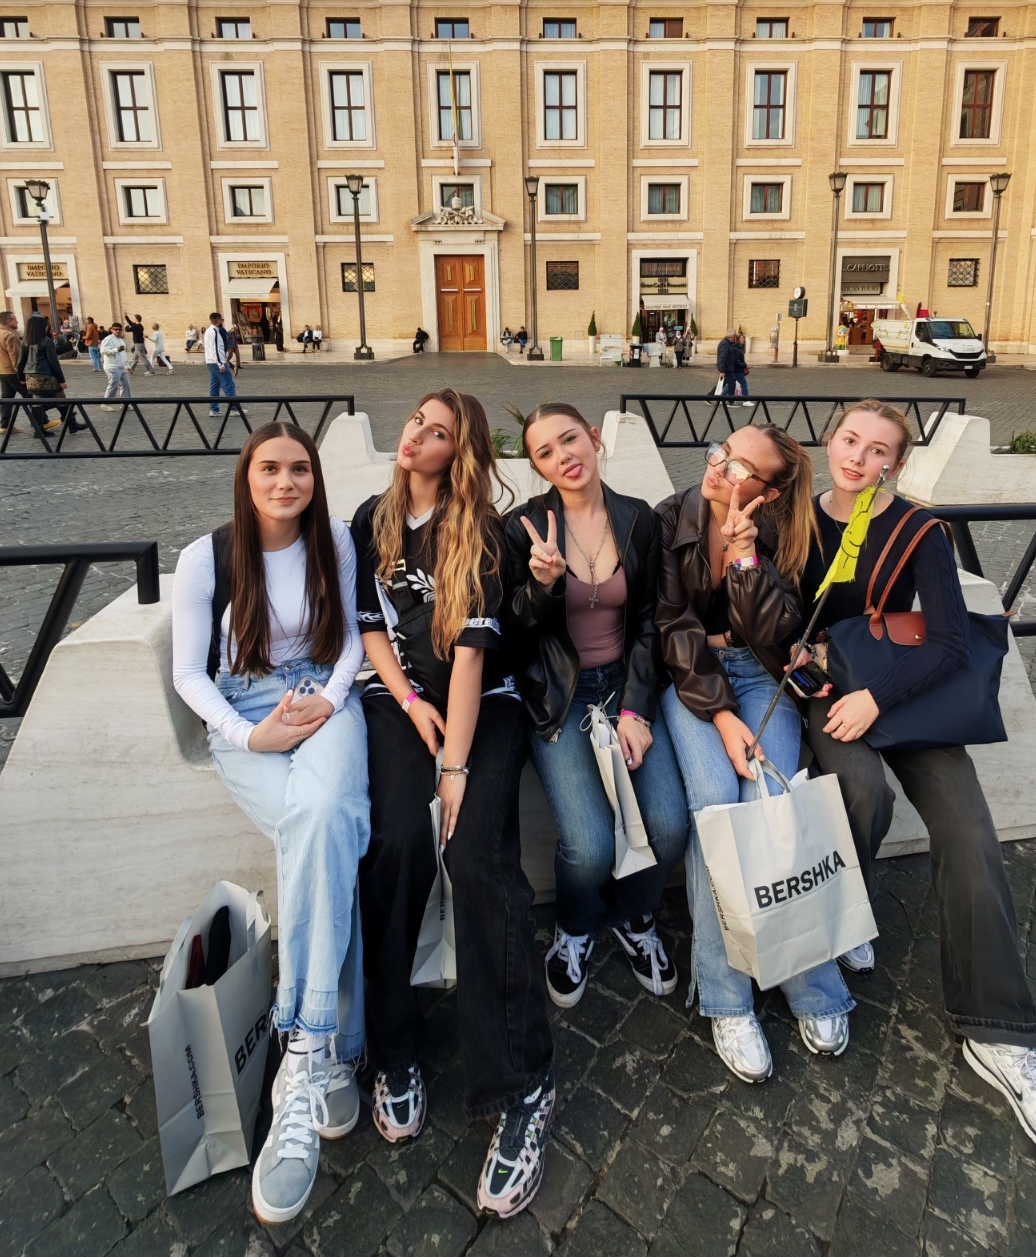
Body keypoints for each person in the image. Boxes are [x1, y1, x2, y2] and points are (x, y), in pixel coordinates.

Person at [799, 398, 1036, 1170]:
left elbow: (949, 641)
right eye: (850, 439)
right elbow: (771, 615)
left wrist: (877, 696)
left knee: (968, 829)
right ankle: (844, 922)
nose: (859, 457)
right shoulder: (793, 517)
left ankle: (1001, 1036)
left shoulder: (918, 529)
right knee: (864, 793)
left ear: (895, 463)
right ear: (830, 440)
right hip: (825, 695)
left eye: (878, 449)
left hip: (901, 691)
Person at [352, 390, 555, 1219]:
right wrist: (409, 705)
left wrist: (458, 768)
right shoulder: (373, 518)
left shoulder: (483, 534)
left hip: (485, 705)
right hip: (400, 699)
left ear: (459, 451)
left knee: (474, 856)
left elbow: (471, 661)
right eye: (416, 423)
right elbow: (371, 628)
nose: (417, 438)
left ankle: (521, 1084)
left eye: (438, 433)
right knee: (397, 844)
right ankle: (393, 1049)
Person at [172, 422, 369, 1225]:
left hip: (324, 699)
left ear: (314, 478)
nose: (286, 482)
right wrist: (249, 735)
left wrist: (331, 698)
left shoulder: (335, 541)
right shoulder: (206, 558)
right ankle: (334, 1047)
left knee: (321, 817)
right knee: (323, 835)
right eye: (269, 469)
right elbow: (189, 673)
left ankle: (303, 1049)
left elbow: (352, 639)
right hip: (246, 711)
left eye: (299, 469)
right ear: (246, 477)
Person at [655, 425, 855, 1081]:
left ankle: (809, 981)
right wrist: (720, 716)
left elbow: (772, 630)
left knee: (770, 799)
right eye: (720, 452)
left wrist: (744, 558)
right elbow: (671, 626)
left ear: (767, 492)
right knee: (716, 806)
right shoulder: (669, 518)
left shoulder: (784, 534)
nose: (719, 468)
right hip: (691, 681)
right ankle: (726, 998)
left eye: (740, 467)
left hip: (761, 675)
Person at [504, 402, 689, 1009]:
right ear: (537, 466)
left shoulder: (639, 519)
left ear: (593, 439)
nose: (564, 457)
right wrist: (542, 587)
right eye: (546, 452)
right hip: (558, 696)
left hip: (626, 687)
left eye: (569, 439)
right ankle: (575, 928)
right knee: (588, 845)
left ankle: (635, 918)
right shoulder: (523, 529)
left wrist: (636, 709)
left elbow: (651, 622)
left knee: (668, 826)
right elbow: (511, 633)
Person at [0, 309, 51, 435]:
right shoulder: (10, 336)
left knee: (6, 399)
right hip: (13, 372)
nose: (17, 322)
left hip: (1, 371)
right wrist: (21, 375)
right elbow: (16, 358)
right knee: (30, 397)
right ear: (9, 321)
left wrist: (0, 362)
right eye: (15, 320)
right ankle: (42, 422)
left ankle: (5, 425)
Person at [21, 313, 83, 432]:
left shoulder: (25, 342)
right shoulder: (46, 341)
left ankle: (39, 428)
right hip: (46, 375)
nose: (47, 328)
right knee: (59, 397)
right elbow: (53, 362)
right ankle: (70, 423)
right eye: (46, 326)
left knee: (38, 401)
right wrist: (61, 380)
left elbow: (21, 361)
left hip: (31, 376)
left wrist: (21, 377)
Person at [204, 312, 236, 415]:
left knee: (215, 386)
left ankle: (214, 409)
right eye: (221, 320)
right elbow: (215, 349)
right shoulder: (214, 332)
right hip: (216, 363)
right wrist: (220, 363)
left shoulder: (209, 331)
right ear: (218, 320)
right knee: (228, 384)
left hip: (211, 362)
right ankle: (234, 409)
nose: (222, 321)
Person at [100, 322, 132, 404]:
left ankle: (125, 403)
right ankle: (106, 403)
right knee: (113, 385)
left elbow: (124, 355)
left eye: (120, 329)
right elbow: (103, 350)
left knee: (126, 386)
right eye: (116, 329)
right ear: (111, 330)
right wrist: (115, 350)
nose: (118, 331)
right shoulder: (108, 339)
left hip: (121, 366)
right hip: (112, 366)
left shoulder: (121, 341)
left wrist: (127, 366)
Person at [716, 330, 751, 403]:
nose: (743, 340)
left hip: (730, 368)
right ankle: (732, 401)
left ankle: (724, 399)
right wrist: (722, 371)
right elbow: (722, 358)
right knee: (733, 385)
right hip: (730, 369)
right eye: (742, 338)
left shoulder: (729, 344)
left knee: (730, 385)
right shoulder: (726, 344)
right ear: (733, 337)